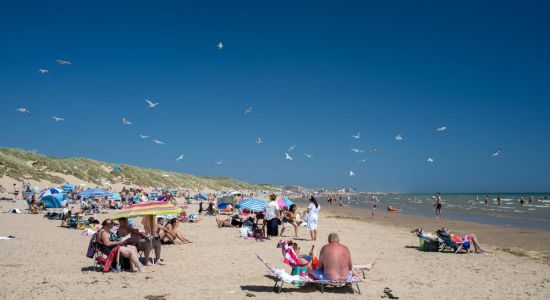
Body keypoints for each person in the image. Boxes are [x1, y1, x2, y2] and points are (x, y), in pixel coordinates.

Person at [307, 233, 374, 281]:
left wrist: (314, 256)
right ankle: (361, 278)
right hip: (346, 277)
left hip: (329, 278)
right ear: (338, 241)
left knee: (309, 268)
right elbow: (350, 267)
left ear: (329, 241)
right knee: (347, 267)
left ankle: (364, 271)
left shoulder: (324, 248)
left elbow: (320, 267)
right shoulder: (345, 248)